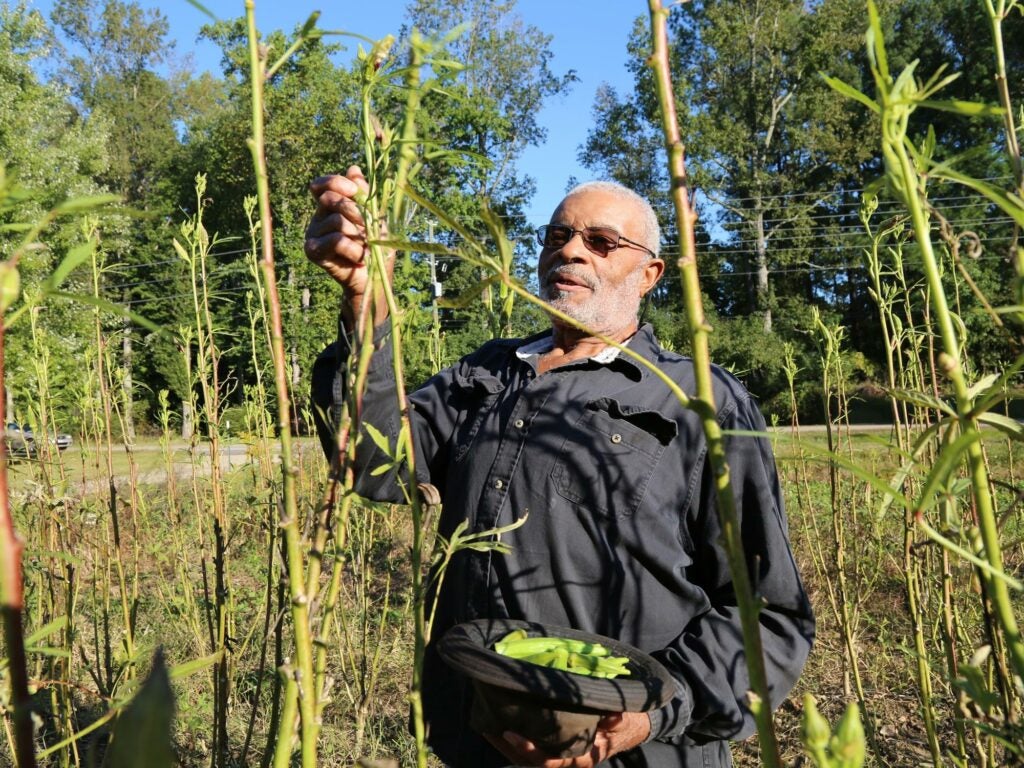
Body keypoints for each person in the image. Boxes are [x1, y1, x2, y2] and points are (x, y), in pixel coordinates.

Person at [306, 166, 814, 768]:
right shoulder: (487, 374)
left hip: (638, 753)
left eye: (601, 241)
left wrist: (647, 717)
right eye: (557, 237)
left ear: (649, 272)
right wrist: (367, 301)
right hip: (484, 735)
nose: (570, 250)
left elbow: (768, 614)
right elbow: (373, 462)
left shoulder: (698, 398)